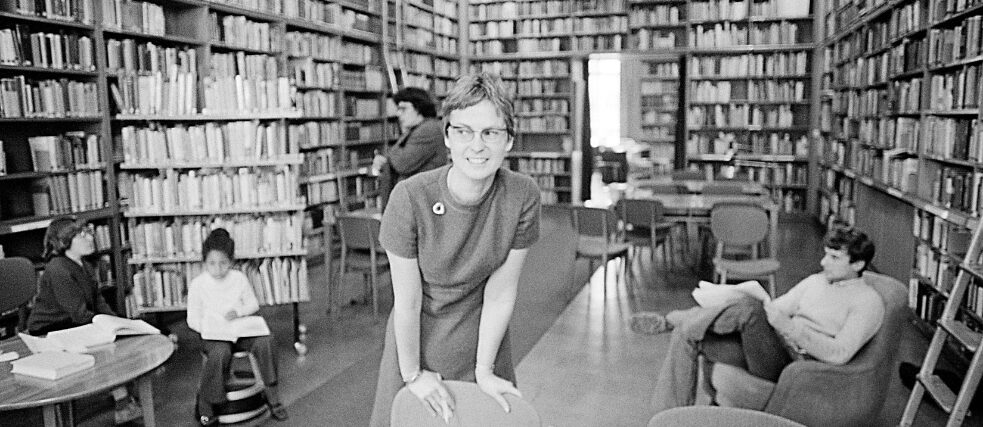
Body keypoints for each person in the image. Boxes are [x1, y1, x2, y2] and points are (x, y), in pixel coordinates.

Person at [368, 73, 542, 426]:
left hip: (484, 340)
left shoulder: (523, 196)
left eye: (490, 132)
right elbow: (408, 301)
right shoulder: (410, 197)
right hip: (415, 339)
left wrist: (485, 369)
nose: (476, 146)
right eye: (463, 131)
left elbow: (500, 293)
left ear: (508, 140)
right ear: (447, 137)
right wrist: (413, 375)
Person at [642, 225, 884, 412]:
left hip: (798, 363)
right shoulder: (816, 281)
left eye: (834, 258)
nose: (823, 262)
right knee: (689, 336)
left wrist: (790, 328)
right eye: (825, 254)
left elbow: (839, 353)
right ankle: (668, 417)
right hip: (773, 346)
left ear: (858, 264)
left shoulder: (867, 301)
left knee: (750, 310)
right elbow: (777, 307)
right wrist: (767, 314)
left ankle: (684, 316)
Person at [26, 216, 142, 424]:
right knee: (104, 347)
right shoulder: (58, 269)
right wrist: (107, 327)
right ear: (65, 241)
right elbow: (78, 313)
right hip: (50, 329)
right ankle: (122, 401)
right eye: (82, 234)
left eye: (89, 232)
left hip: (72, 322)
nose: (90, 237)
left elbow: (98, 302)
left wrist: (117, 324)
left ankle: (123, 399)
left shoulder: (85, 265)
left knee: (116, 339)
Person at [186, 228, 287, 425]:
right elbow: (192, 318)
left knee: (266, 342)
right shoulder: (198, 284)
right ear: (204, 262)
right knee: (219, 354)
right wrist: (208, 327)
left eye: (223, 263)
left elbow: (253, 304)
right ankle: (208, 405)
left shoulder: (238, 279)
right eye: (212, 264)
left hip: (240, 331)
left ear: (231, 262)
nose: (217, 269)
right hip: (215, 336)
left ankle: (272, 395)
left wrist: (238, 313)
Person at [374, 87, 447, 208]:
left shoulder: (428, 129)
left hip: (421, 202)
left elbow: (401, 163)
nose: (398, 114)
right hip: (416, 200)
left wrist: (388, 157)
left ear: (419, 108)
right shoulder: (417, 129)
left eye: (403, 109)